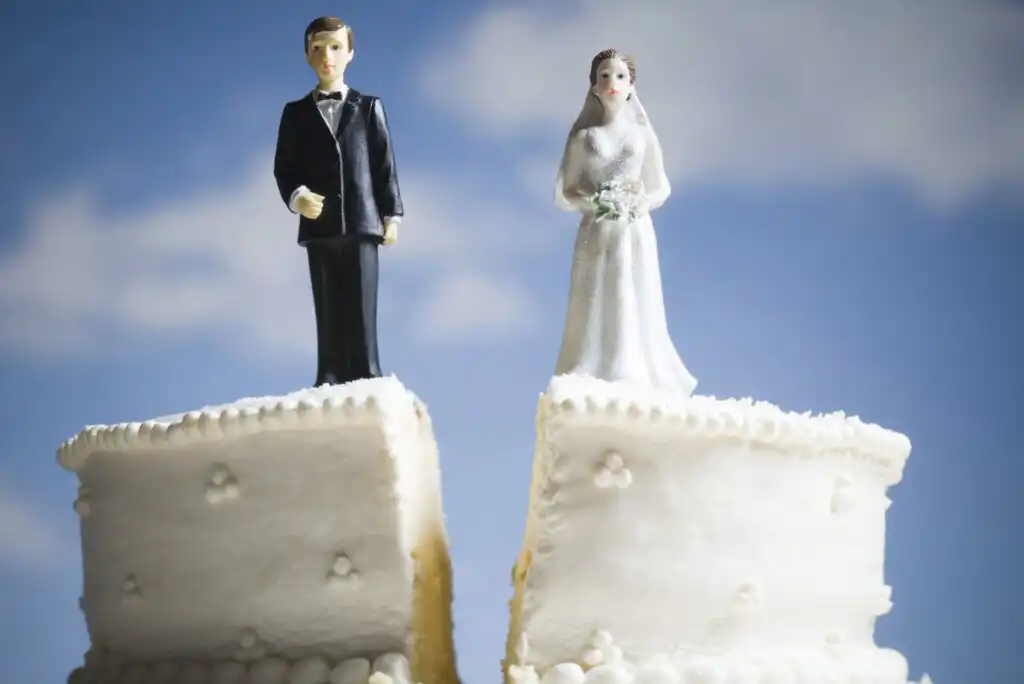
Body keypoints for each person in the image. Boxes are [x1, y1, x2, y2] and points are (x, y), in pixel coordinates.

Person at [553, 49, 697, 395]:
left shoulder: (641, 135)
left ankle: (634, 368)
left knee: (633, 292)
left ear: (631, 85)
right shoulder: (583, 138)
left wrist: (638, 203)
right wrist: (595, 202)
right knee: (598, 293)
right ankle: (594, 367)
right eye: (603, 76)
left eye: (619, 76)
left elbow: (660, 185)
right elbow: (566, 191)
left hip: (633, 230)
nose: (611, 83)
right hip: (597, 230)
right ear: (593, 87)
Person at [274, 16, 403, 387]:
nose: (327, 56)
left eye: (335, 47)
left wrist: (391, 214)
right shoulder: (295, 114)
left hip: (363, 221)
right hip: (320, 225)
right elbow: (285, 167)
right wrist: (297, 197)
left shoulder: (369, 107)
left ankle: (367, 369)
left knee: (362, 302)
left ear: (350, 53)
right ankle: (328, 372)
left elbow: (384, 165)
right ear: (306, 55)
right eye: (318, 48)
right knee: (327, 303)